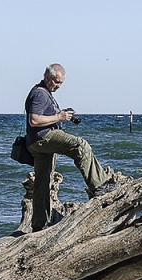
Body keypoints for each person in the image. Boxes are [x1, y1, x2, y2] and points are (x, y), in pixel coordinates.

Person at [25, 63, 118, 232]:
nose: (58, 86)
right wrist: (59, 117)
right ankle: (99, 185)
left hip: (35, 142)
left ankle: (39, 225)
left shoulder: (44, 92)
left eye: (61, 83)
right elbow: (34, 120)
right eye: (56, 82)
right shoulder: (39, 94)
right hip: (42, 138)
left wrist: (60, 116)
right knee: (80, 145)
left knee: (42, 183)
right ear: (47, 78)